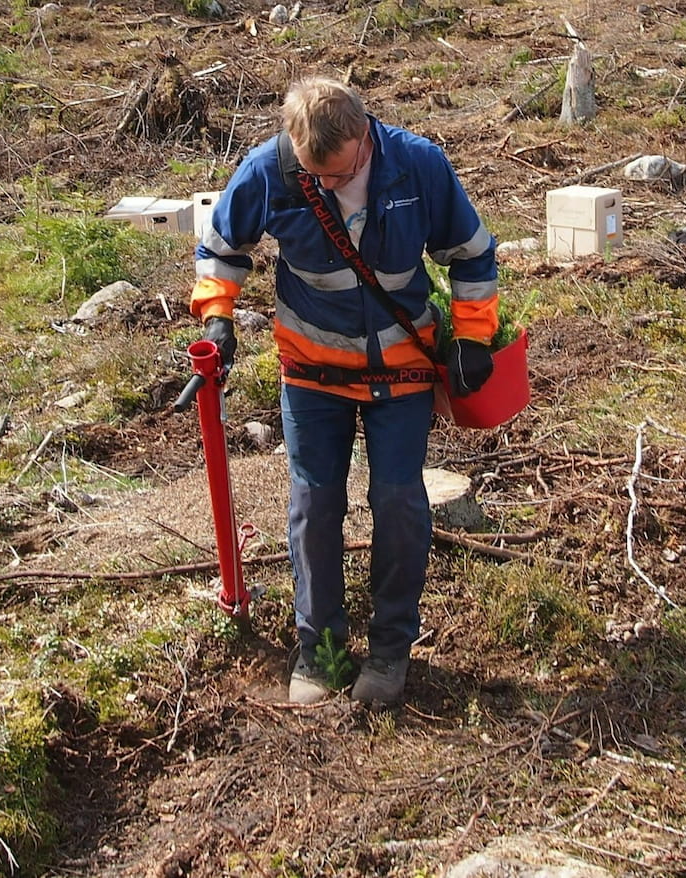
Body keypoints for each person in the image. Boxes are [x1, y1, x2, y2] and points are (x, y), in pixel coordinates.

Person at [189, 77, 499, 704]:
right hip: (311, 371)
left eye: (336, 174)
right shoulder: (269, 169)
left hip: (402, 368)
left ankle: (389, 653)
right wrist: (218, 317)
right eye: (314, 176)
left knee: (398, 501)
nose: (325, 186)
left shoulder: (418, 165)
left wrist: (471, 335)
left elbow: (471, 253)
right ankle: (320, 652)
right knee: (314, 506)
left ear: (364, 137)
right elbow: (221, 248)